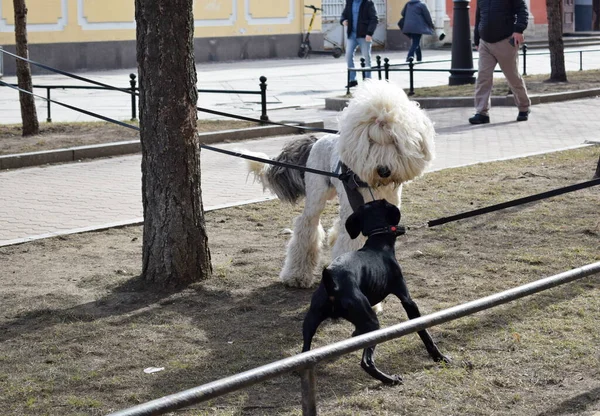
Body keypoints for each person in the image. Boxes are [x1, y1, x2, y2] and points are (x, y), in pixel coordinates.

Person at [469, 0, 531, 124]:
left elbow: (522, 11)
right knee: (483, 77)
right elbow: (479, 17)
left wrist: (519, 30)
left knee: (512, 77)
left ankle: (524, 108)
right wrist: (477, 39)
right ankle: (481, 113)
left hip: (505, 41)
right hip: (485, 43)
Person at [341, 0, 378, 88]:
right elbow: (344, 15)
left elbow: (374, 19)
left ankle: (368, 80)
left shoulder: (368, 3)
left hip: (364, 35)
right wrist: (343, 21)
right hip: (352, 35)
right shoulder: (349, 2)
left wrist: (369, 33)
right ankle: (352, 80)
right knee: (348, 55)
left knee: (366, 57)